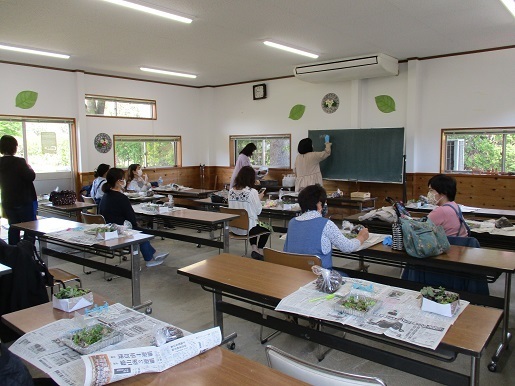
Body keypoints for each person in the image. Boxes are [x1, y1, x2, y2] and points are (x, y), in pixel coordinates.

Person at [283, 184, 369, 270]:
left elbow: (286, 251)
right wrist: (361, 237)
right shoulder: (326, 224)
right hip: (321, 278)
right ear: (319, 204)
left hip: (296, 276)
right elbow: (347, 247)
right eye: (325, 203)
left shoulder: (292, 222)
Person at [99, 168, 168, 267]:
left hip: (109, 229)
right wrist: (136, 224)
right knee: (141, 232)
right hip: (121, 230)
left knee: (138, 230)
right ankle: (149, 258)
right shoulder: (121, 197)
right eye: (123, 179)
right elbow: (131, 217)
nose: (124, 181)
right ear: (119, 181)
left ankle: (153, 253)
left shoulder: (105, 196)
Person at [0, 135, 37, 245]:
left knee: (14, 226)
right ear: (14, 147)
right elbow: (30, 177)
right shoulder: (19, 162)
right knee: (30, 227)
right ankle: (27, 250)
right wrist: (30, 168)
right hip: (23, 200)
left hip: (8, 201)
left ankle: (13, 252)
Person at [229, 166, 271, 260]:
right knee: (267, 228)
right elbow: (258, 211)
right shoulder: (252, 192)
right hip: (248, 229)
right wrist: (259, 198)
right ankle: (259, 250)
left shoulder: (231, 191)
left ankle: (254, 249)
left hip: (233, 227)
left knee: (253, 223)